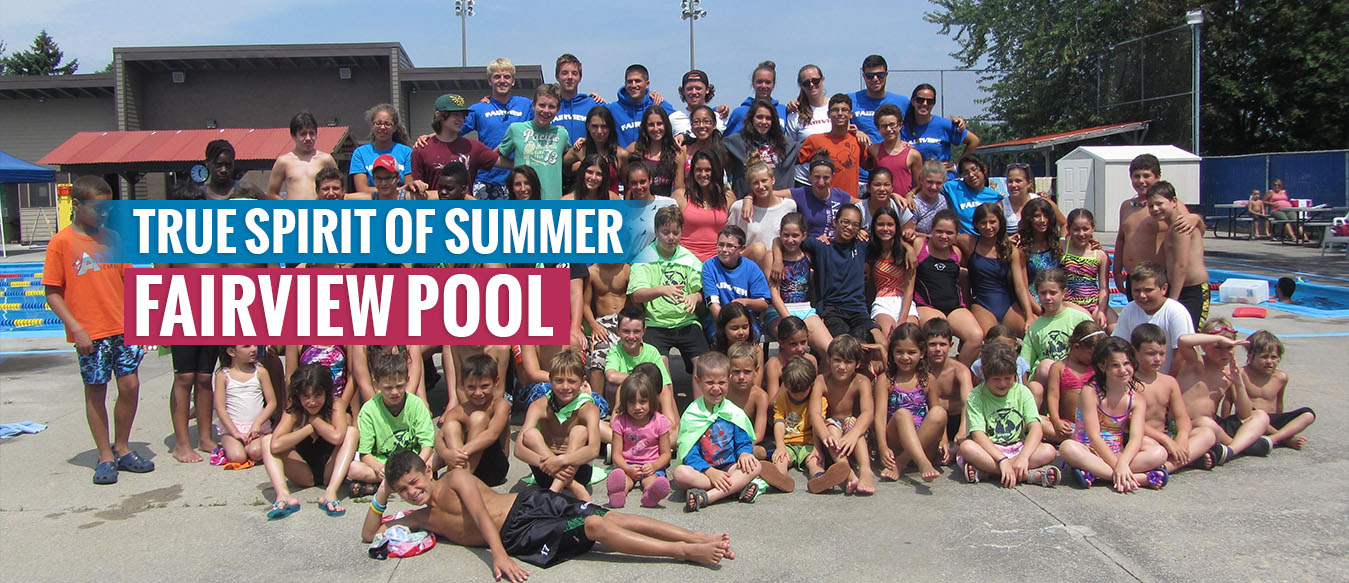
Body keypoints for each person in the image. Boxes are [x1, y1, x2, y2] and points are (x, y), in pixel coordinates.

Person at [367, 451, 735, 581]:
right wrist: (384, 491)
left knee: (605, 516)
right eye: (404, 491)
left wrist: (496, 556)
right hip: (524, 535)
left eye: (414, 482)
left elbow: (479, 515)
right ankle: (683, 553)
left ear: (428, 471)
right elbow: (371, 534)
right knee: (594, 526)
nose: (413, 493)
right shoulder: (422, 518)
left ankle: (694, 539)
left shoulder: (455, 479)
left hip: (530, 507)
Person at [45, 176, 153, 485]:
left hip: (121, 325)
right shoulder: (62, 243)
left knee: (130, 386)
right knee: (96, 391)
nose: (103, 214)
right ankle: (105, 454)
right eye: (98, 208)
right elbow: (52, 292)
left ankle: (122, 446)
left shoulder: (114, 239)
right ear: (78, 205)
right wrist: (76, 328)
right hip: (90, 331)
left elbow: (130, 282)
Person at [1057, 338, 1168, 490]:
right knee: (1067, 447)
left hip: (1117, 453)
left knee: (1159, 452)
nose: (1123, 370)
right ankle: (1138, 478)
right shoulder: (1091, 392)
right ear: (1102, 366)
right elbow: (1093, 436)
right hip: (1089, 450)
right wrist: (1119, 466)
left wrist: (1122, 462)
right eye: (1115, 365)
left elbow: (1136, 437)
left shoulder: (1136, 399)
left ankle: (1098, 474)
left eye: (1127, 363)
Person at [261, 363, 360, 519]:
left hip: (330, 469)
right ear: (298, 395)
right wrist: (308, 429)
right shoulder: (294, 410)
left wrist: (316, 421)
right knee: (266, 440)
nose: (312, 402)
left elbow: (337, 437)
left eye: (317, 395)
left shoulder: (336, 404)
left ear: (327, 393)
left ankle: (330, 493)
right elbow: (275, 445)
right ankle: (283, 495)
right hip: (303, 471)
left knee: (351, 433)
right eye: (306, 396)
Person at [674, 351, 770, 511]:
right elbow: (689, 452)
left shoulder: (733, 412)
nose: (716, 388)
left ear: (729, 380)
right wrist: (710, 471)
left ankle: (707, 497)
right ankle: (736, 488)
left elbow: (743, 441)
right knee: (680, 474)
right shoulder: (692, 413)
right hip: (703, 472)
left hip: (730, 467)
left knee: (755, 466)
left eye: (721, 382)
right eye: (710, 382)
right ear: (698, 381)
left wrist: (745, 453)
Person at [956, 343, 1060, 488]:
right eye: (996, 379)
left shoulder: (1022, 392)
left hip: (1018, 447)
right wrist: (1002, 460)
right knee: (967, 447)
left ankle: (990, 473)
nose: (1003, 383)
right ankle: (1027, 475)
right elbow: (978, 434)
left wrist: (1023, 457)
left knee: (1049, 451)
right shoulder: (976, 396)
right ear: (985, 374)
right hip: (990, 450)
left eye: (1008, 378)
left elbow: (1036, 428)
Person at [1173, 321, 1273, 462]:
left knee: (1260, 416)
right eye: (1218, 347)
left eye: (1229, 347)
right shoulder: (1196, 363)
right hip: (1187, 425)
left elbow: (1245, 414)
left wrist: (1238, 383)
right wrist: (1218, 338)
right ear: (1204, 347)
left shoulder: (1228, 374)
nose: (1225, 353)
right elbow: (1183, 340)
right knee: (1206, 423)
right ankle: (1243, 445)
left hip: (1214, 426)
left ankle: (1231, 450)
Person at [628, 205, 708, 375]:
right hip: (656, 324)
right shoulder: (644, 258)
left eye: (676, 232)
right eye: (665, 232)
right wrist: (662, 290)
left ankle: (701, 403)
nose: (671, 237)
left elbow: (702, 291)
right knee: (661, 368)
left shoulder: (689, 259)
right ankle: (667, 401)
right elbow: (636, 295)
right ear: (656, 231)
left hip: (686, 322)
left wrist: (695, 296)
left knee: (703, 367)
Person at [1131, 324, 1220, 473]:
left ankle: (1166, 467)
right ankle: (1183, 460)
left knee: (1207, 434)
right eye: (1151, 353)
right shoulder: (1129, 382)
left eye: (1162, 353)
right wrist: (1166, 441)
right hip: (1142, 438)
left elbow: (1182, 417)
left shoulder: (1169, 382)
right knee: (1152, 447)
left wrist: (1182, 438)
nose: (1158, 359)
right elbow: (1129, 421)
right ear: (1134, 352)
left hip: (1166, 435)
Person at [516, 350, 602, 500]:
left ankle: (554, 492)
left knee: (579, 431)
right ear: (550, 379)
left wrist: (561, 461)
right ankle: (572, 486)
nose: (565, 387)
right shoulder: (539, 405)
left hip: (578, 469)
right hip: (544, 470)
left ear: (582, 381)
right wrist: (548, 463)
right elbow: (518, 449)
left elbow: (594, 449)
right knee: (530, 434)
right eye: (559, 381)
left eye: (571, 381)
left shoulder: (588, 409)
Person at [1111, 154, 1201, 296]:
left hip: (1155, 281)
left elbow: (1192, 231)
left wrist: (1196, 218)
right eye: (1136, 176)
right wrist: (1116, 271)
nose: (1141, 181)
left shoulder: (1165, 206)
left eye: (1146, 176)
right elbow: (1121, 239)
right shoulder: (1126, 206)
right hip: (1133, 278)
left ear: (1157, 177)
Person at [352, 348, 436, 496]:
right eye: (388, 388)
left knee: (436, 457)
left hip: (414, 460)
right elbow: (365, 453)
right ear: (376, 385)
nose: (395, 392)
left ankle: (388, 485)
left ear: (407, 381)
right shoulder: (369, 410)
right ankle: (407, 482)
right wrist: (380, 468)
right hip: (385, 464)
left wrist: (417, 464)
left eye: (399, 386)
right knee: (353, 469)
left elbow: (427, 445)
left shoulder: (416, 404)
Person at [873, 323, 946, 482]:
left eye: (911, 352)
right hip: (896, 444)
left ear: (922, 353)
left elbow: (938, 416)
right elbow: (879, 417)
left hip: (924, 442)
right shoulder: (886, 380)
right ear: (892, 353)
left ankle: (902, 463)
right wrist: (882, 447)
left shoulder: (927, 380)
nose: (905, 357)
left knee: (939, 412)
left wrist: (944, 440)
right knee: (903, 414)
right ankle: (922, 463)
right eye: (899, 352)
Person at [913, 209, 983, 365]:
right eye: (939, 231)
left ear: (956, 234)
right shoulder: (919, 245)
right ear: (931, 230)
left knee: (976, 336)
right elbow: (905, 238)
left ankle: (956, 371)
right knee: (939, 332)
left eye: (949, 233)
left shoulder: (956, 252)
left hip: (954, 307)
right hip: (927, 306)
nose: (944, 236)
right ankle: (930, 372)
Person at [809, 335, 877, 495]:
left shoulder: (861, 381)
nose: (842, 366)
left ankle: (865, 470)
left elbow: (868, 413)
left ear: (858, 364)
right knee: (832, 426)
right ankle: (848, 472)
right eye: (837, 360)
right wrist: (825, 435)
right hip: (832, 438)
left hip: (854, 436)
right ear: (828, 359)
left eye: (848, 362)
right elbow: (815, 413)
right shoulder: (821, 380)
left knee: (853, 422)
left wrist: (853, 435)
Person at [772, 355, 850, 493]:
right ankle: (780, 479)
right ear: (786, 385)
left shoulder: (818, 400)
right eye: (793, 392)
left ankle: (819, 479)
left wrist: (817, 448)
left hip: (809, 443)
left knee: (814, 461)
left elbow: (817, 424)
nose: (798, 395)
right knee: (780, 460)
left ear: (811, 385)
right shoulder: (781, 399)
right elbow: (779, 422)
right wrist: (780, 446)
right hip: (788, 443)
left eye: (803, 391)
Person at [603, 305, 680, 438]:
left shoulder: (652, 352)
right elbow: (611, 375)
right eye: (626, 331)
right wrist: (639, 383)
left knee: (665, 393)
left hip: (652, 414)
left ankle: (636, 441)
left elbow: (664, 385)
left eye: (636, 331)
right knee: (595, 426)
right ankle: (639, 440)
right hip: (627, 414)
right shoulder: (615, 352)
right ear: (618, 331)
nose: (631, 336)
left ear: (644, 331)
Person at [436, 354, 512, 487]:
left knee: (479, 418)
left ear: (496, 382)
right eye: (471, 387)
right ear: (462, 384)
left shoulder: (500, 405)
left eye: (484, 386)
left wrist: (461, 453)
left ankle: (457, 480)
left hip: (493, 468)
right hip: (464, 460)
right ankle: (457, 478)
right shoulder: (457, 411)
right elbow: (439, 439)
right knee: (450, 426)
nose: (478, 393)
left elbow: (491, 434)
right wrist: (447, 454)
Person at [462, 58, 532, 200]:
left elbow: (549, 107)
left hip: (518, 180)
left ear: (513, 81)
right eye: (497, 77)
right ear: (489, 81)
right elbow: (454, 128)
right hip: (486, 180)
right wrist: (432, 135)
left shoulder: (526, 104)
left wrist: (589, 99)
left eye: (507, 77)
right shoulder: (478, 108)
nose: (502, 80)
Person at [1147, 181, 1210, 330]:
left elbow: (1181, 265)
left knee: (1188, 337)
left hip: (1192, 290)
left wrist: (1172, 301)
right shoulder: (1176, 225)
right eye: (1151, 206)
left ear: (1174, 202)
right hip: (1182, 289)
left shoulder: (1181, 226)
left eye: (1159, 204)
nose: (1155, 209)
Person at [964, 202, 1035, 334]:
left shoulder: (1009, 249)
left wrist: (1029, 316)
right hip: (981, 304)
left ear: (1000, 223)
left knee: (1032, 333)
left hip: (1006, 303)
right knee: (993, 339)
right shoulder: (969, 242)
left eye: (992, 222)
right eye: (983, 223)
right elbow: (940, 237)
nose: (988, 227)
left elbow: (1020, 286)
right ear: (975, 224)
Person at [1111, 261, 1194, 373]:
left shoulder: (1176, 312)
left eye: (1148, 290)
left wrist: (1168, 382)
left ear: (1164, 289)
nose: (1142, 296)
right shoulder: (1130, 309)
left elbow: (1181, 356)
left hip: (1169, 378)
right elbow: (1119, 345)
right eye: (1137, 290)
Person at [608, 373, 674, 508]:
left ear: (651, 401)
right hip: (627, 465)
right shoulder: (620, 421)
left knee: (651, 481)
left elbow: (666, 454)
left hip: (651, 465)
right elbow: (616, 454)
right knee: (625, 480)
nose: (637, 407)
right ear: (624, 402)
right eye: (632, 402)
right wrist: (626, 467)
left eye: (642, 401)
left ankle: (651, 495)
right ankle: (618, 493)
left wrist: (654, 466)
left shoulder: (660, 421)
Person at [410, 94, 499, 194]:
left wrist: (512, 137)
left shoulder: (473, 147)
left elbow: (504, 163)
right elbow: (416, 188)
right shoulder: (421, 149)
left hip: (466, 209)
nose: (461, 119)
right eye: (455, 114)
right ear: (439, 115)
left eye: (463, 115)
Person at [1242, 330, 1315, 449]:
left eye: (1274, 357)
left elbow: (1279, 402)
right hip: (1251, 419)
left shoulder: (1281, 377)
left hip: (1272, 420)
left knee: (1308, 414)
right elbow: (1229, 401)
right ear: (1250, 356)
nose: (1269, 361)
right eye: (1264, 357)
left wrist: (1280, 421)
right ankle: (1284, 439)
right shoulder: (1242, 374)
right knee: (1252, 412)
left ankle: (1273, 438)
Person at [1021, 268, 1092, 390]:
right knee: (1047, 366)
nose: (1048, 297)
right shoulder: (1035, 327)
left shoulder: (1079, 318)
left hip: (1073, 373)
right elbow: (1024, 363)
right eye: (1043, 293)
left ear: (1064, 292)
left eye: (1053, 293)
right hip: (1044, 377)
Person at [495, 84, 569, 200]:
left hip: (553, 202)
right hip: (523, 201)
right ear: (533, 105)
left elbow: (571, 160)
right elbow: (493, 157)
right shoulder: (516, 129)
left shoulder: (562, 134)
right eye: (542, 105)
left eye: (551, 107)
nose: (546, 110)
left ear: (558, 109)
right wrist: (516, 165)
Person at [728, 159, 798, 270]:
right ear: (750, 186)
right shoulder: (739, 208)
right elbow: (729, 237)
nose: (761, 186)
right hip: (748, 265)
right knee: (758, 249)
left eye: (764, 181)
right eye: (756, 183)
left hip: (778, 264)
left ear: (773, 180)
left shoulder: (789, 206)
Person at [702, 225, 771, 336]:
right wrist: (728, 326)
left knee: (749, 346)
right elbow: (712, 302)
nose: (724, 250)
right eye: (720, 244)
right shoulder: (709, 266)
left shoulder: (751, 268)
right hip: (719, 320)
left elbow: (763, 303)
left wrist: (745, 302)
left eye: (730, 246)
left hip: (746, 323)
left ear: (742, 249)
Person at [213, 345, 277, 464]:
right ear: (231, 351)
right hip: (232, 428)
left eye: (254, 344)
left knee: (256, 452)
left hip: (257, 429)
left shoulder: (260, 372)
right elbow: (220, 408)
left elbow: (272, 402)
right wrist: (235, 432)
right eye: (247, 346)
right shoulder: (223, 375)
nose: (254, 349)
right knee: (238, 457)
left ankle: (252, 446)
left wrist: (257, 424)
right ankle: (234, 446)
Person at [725, 98, 803, 196]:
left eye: (768, 118)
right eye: (759, 117)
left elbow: (812, 148)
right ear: (751, 118)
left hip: (778, 203)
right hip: (747, 204)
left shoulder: (786, 144)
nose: (764, 121)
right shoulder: (735, 142)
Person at [924, 318, 975, 465]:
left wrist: (963, 428)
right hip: (933, 422)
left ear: (951, 345)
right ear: (924, 346)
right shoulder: (922, 370)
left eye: (942, 344)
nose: (938, 349)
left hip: (957, 420)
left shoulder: (959, 370)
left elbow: (968, 401)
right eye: (932, 345)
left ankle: (956, 451)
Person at [899, 83, 979, 177]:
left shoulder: (944, 124)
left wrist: (958, 166)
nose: (925, 104)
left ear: (934, 104)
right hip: (916, 184)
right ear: (913, 101)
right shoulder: (903, 128)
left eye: (930, 101)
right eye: (920, 100)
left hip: (943, 182)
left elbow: (973, 141)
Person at [1043, 321, 1103, 443]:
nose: (1096, 358)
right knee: (1039, 422)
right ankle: (1083, 440)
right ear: (1076, 347)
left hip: (1096, 426)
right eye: (1092, 354)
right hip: (1070, 426)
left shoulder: (1098, 367)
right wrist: (1056, 420)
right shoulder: (1059, 367)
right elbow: (1053, 396)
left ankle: (1089, 439)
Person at [796, 94, 868, 196]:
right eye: (835, 110)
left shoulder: (858, 140)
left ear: (851, 114)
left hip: (850, 203)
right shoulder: (814, 140)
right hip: (823, 203)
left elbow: (869, 165)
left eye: (844, 110)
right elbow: (792, 162)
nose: (840, 113)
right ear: (828, 114)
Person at [867, 205, 919, 339]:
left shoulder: (905, 253)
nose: (885, 229)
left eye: (890, 224)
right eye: (880, 224)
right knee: (888, 335)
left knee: (909, 337)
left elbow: (909, 290)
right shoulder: (870, 251)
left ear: (896, 227)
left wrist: (902, 320)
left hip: (904, 302)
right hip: (882, 302)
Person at [675, 149, 733, 261]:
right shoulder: (681, 196)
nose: (703, 174)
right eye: (698, 170)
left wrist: (749, 198)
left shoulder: (728, 197)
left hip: (718, 261)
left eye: (708, 170)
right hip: (686, 261)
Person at [1061, 208, 1114, 328]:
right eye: (1076, 229)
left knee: (1115, 329)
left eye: (1086, 229)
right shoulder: (1062, 248)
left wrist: (1101, 310)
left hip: (1093, 303)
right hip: (1068, 302)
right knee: (1087, 322)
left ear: (1093, 228)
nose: (1081, 233)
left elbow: (1104, 288)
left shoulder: (1100, 255)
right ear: (1068, 229)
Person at [585, 262, 631, 398]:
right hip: (602, 322)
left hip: (625, 319)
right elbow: (585, 304)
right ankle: (597, 403)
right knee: (597, 359)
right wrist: (594, 325)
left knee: (632, 357)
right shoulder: (592, 272)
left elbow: (636, 299)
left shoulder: (626, 269)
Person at [266, 111, 338, 200]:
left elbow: (339, 188)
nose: (308, 138)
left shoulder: (326, 159)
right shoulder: (283, 162)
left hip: (319, 211)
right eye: (303, 134)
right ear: (293, 136)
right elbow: (271, 193)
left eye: (311, 133)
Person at [784, 156, 858, 239]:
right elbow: (773, 195)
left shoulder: (840, 195)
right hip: (811, 245)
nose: (821, 182)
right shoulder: (802, 193)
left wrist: (860, 230)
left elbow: (862, 204)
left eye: (826, 177)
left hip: (835, 246)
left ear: (832, 177)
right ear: (810, 175)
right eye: (817, 177)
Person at [350, 103, 412, 197]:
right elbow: (362, 189)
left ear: (395, 127)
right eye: (378, 123)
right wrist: (395, 191)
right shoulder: (360, 153)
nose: (382, 127)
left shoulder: (407, 153)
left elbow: (409, 187)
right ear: (372, 126)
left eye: (387, 124)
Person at [608, 64, 675, 148]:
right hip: (624, 160)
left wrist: (681, 134)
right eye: (630, 81)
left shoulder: (658, 104)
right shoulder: (613, 109)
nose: (633, 85)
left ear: (647, 84)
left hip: (653, 160)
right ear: (625, 84)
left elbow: (679, 122)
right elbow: (594, 114)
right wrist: (594, 98)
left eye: (637, 81)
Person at [724, 341, 771, 462]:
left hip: (750, 442)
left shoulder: (760, 396)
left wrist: (742, 448)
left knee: (762, 451)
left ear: (756, 370)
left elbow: (759, 434)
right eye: (736, 371)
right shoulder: (724, 391)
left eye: (747, 372)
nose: (741, 377)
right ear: (728, 370)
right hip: (725, 439)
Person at [564, 107, 625, 196]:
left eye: (604, 127)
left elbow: (628, 186)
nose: (599, 131)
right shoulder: (580, 150)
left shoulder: (620, 154)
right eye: (594, 126)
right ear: (588, 126)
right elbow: (559, 166)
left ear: (610, 128)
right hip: (585, 207)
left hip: (611, 205)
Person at [784, 64, 832, 176]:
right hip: (803, 179)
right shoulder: (795, 114)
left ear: (823, 80)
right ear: (801, 86)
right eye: (806, 83)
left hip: (832, 177)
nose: (811, 85)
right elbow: (789, 149)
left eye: (815, 81)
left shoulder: (835, 108)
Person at [623, 161, 680, 250]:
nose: (639, 187)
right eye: (634, 183)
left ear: (650, 180)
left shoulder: (668, 204)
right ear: (629, 185)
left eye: (642, 182)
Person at [868, 104, 923, 195]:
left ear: (900, 125)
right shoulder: (873, 150)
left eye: (892, 125)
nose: (889, 129)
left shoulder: (913, 155)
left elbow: (919, 185)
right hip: (881, 204)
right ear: (878, 128)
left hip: (903, 205)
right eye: (884, 126)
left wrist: (911, 194)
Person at [943, 154, 1005, 235]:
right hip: (962, 242)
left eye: (974, 169)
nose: (971, 175)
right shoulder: (953, 188)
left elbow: (1000, 226)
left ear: (984, 169)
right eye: (966, 173)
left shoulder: (995, 197)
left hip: (986, 240)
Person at [763, 316, 818, 406]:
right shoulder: (774, 365)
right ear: (781, 343)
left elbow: (814, 395)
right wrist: (791, 377)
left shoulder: (811, 360)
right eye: (793, 344)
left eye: (803, 342)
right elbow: (772, 404)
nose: (800, 349)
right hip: (781, 412)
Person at [724, 61, 789, 137]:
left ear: (773, 84)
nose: (763, 86)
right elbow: (728, 142)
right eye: (759, 82)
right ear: (753, 83)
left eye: (768, 82)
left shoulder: (783, 111)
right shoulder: (740, 113)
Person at [552, 54, 604, 146]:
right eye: (564, 73)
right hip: (555, 159)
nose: (570, 77)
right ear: (557, 76)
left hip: (586, 158)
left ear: (580, 77)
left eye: (574, 73)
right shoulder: (548, 106)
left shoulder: (593, 104)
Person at [1017, 197, 1064, 297]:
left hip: (1058, 299)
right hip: (1034, 300)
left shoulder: (1057, 244)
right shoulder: (1022, 250)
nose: (1042, 220)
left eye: (1046, 216)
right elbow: (1023, 288)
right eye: (1037, 216)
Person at [1005, 164, 1065, 239]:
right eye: (1010, 181)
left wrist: (1062, 243)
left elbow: (1064, 224)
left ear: (1029, 183)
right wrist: (1006, 241)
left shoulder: (1043, 202)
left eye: (1018, 181)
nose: (1013, 185)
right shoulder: (1000, 206)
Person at [669, 69, 728, 136]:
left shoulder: (720, 119)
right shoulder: (673, 119)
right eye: (689, 89)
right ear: (683, 91)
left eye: (698, 88)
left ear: (707, 90)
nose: (694, 92)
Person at [912, 160, 952, 234]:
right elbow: (910, 233)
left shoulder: (943, 200)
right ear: (921, 179)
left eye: (938, 183)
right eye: (929, 182)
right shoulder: (914, 205)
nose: (934, 187)